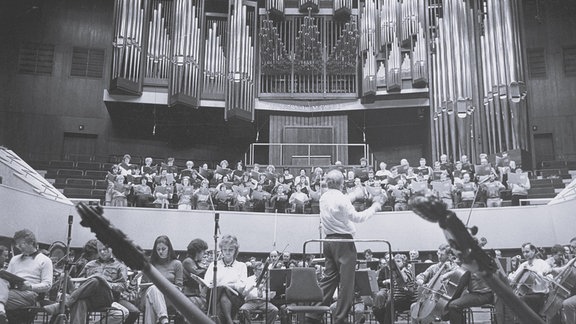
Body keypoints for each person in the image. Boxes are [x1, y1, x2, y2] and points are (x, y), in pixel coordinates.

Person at [305, 169, 383, 324]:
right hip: (344, 243)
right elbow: (358, 217)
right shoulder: (341, 198)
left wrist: (355, 194)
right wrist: (376, 206)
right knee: (347, 283)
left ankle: (313, 315)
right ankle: (340, 318)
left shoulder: (324, 196)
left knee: (329, 280)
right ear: (342, 183)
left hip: (328, 242)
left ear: (328, 183)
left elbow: (340, 202)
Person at [43, 240, 133, 324]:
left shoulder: (120, 266)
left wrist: (105, 282)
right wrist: (70, 281)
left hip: (107, 298)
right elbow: (80, 283)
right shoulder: (90, 265)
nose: (102, 252)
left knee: (96, 280)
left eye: (105, 249)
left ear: (111, 249)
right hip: (89, 298)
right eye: (100, 250)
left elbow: (122, 286)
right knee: (79, 301)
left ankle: (64, 305)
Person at [0, 229, 53, 323]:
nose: (18, 247)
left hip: (29, 293)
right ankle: (1, 310)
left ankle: (1, 309)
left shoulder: (45, 260)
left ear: (32, 242)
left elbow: (48, 285)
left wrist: (30, 286)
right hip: (11, 291)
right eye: (17, 244)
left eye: (21, 244)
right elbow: (6, 279)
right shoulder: (14, 259)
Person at [139, 235, 183, 324]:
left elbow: (179, 288)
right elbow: (142, 286)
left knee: (151, 300)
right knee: (153, 289)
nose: (160, 251)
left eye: (163, 249)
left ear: (169, 249)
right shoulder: (149, 264)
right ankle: (164, 320)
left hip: (169, 297)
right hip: (148, 294)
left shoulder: (177, 264)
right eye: (158, 249)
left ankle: (163, 319)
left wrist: (165, 285)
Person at [204, 234, 247, 324]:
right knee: (221, 292)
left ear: (235, 250)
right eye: (225, 249)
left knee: (224, 292)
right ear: (221, 250)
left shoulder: (241, 266)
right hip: (215, 297)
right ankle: (229, 321)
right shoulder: (214, 265)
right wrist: (220, 285)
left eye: (231, 250)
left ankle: (227, 321)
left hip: (235, 298)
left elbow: (242, 286)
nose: (227, 252)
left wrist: (227, 285)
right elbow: (207, 282)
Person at [508, 242, 551, 315]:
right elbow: (513, 280)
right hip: (526, 294)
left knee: (520, 300)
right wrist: (510, 277)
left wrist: (536, 271)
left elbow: (549, 280)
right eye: (523, 252)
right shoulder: (523, 265)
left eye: (527, 252)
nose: (525, 254)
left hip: (539, 295)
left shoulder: (542, 263)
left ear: (533, 251)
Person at [373, 254, 416, 324]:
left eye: (399, 261)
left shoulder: (407, 272)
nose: (397, 264)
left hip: (407, 300)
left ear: (404, 263)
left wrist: (404, 288)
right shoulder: (396, 273)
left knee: (390, 304)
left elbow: (411, 292)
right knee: (376, 309)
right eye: (395, 262)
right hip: (397, 299)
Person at [182, 239, 209, 312]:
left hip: (197, 294)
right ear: (197, 252)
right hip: (189, 294)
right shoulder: (188, 261)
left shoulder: (196, 262)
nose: (204, 254)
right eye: (203, 252)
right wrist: (208, 268)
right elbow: (198, 273)